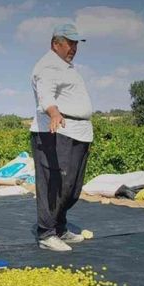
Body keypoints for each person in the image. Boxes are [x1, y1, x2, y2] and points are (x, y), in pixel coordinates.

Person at [30, 24, 94, 252]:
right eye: (69, 42)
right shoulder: (47, 66)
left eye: (76, 43)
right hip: (56, 132)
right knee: (54, 184)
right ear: (55, 44)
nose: (74, 47)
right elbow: (45, 94)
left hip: (78, 132)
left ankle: (59, 228)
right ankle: (46, 233)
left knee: (72, 187)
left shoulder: (67, 67)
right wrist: (54, 112)